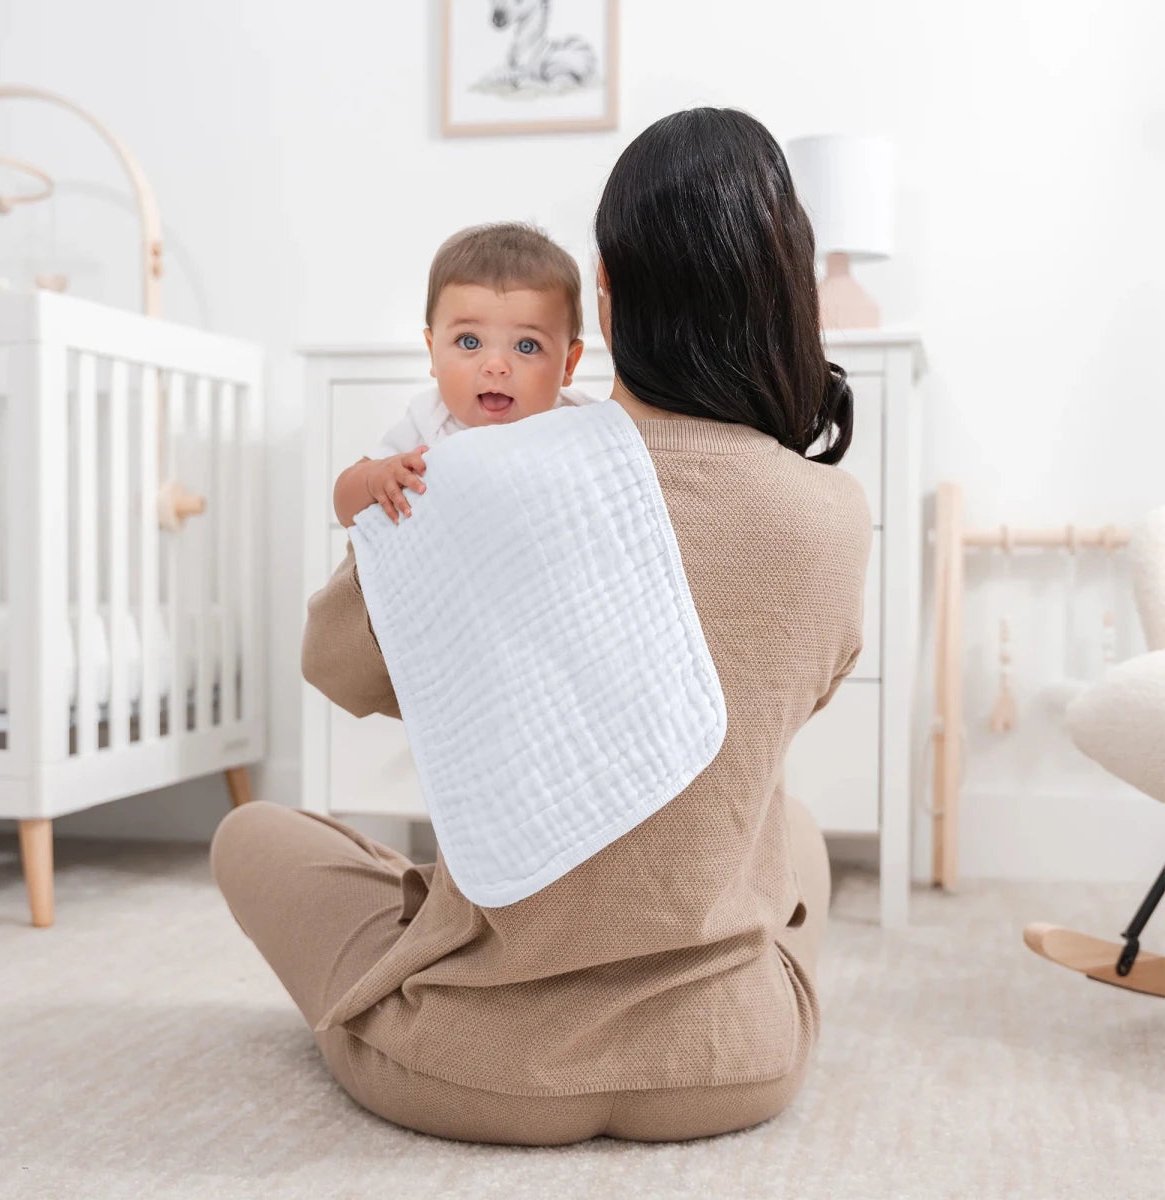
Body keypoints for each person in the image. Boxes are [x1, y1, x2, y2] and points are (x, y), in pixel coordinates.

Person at [211, 106, 871, 1144]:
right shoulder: (834, 511)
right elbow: (807, 689)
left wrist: (438, 505)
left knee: (253, 833)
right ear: (785, 289)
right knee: (793, 835)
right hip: (734, 1064)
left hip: (464, 1065)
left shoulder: (466, 479)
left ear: (598, 304)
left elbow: (333, 667)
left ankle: (462, 940)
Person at [332, 221, 594, 528]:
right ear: (433, 351)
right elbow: (345, 507)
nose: (496, 366)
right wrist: (375, 478)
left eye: (526, 345)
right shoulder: (428, 422)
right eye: (470, 341)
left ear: (568, 365)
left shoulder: (581, 425)